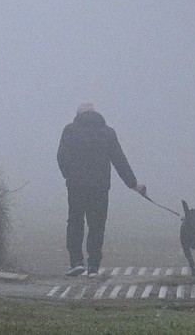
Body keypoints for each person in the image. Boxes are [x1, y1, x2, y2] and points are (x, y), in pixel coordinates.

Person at [57, 102, 146, 277]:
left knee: (75, 222)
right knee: (97, 226)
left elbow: (61, 157)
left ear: (78, 114)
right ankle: (93, 267)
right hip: (100, 187)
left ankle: (76, 262)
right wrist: (133, 184)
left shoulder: (70, 131)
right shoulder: (107, 133)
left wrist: (68, 175)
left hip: (76, 186)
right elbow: (119, 160)